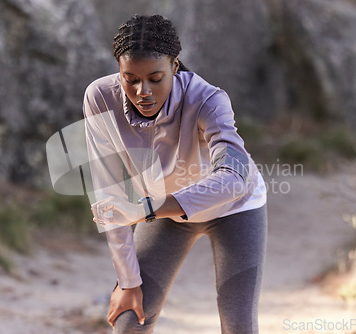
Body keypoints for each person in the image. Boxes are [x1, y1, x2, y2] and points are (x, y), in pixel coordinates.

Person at [84, 14, 267, 334]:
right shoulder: (100, 98)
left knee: (238, 326)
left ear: (175, 66)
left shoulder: (209, 99)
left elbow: (235, 177)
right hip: (165, 215)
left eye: (155, 78)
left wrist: (146, 208)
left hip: (235, 209)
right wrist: (128, 282)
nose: (143, 91)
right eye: (131, 79)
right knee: (129, 323)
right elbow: (111, 197)